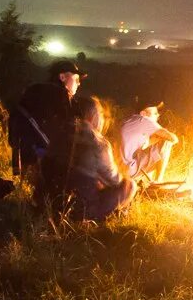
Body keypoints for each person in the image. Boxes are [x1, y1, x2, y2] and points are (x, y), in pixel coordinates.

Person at [38, 94, 134, 222]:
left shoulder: (56, 132)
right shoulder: (99, 143)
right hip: (80, 213)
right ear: (92, 116)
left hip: (48, 205)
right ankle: (115, 214)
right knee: (129, 185)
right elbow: (114, 181)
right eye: (100, 114)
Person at [10, 58, 83, 174]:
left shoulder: (33, 89)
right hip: (47, 160)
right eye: (76, 78)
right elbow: (71, 131)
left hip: (23, 153)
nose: (79, 83)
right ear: (62, 77)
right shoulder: (62, 95)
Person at [120, 103, 179, 185]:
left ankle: (146, 181)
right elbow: (173, 139)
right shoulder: (145, 120)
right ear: (143, 113)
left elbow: (144, 146)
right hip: (130, 170)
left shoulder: (131, 120)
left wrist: (156, 138)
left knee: (154, 145)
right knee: (166, 142)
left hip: (120, 172)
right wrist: (161, 137)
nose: (158, 114)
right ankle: (158, 182)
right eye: (154, 113)